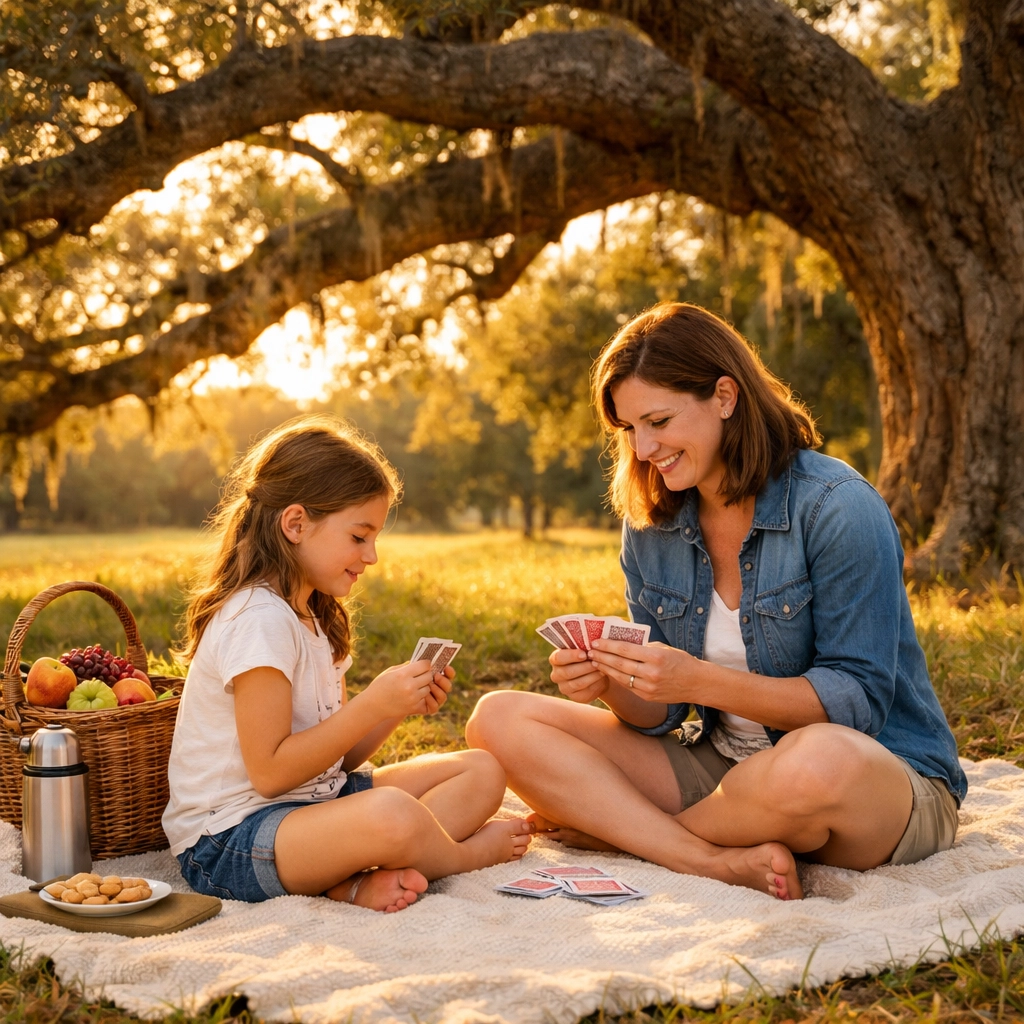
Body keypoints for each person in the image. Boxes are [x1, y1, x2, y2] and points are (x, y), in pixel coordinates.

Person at [467, 302, 965, 901]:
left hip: (876, 782)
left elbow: (856, 705)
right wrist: (615, 682)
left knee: (819, 759)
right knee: (498, 718)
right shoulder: (653, 524)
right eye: (629, 429)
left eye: (658, 421)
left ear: (725, 397)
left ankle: (631, 836)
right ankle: (701, 854)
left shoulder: (836, 506)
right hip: (727, 773)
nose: (645, 447)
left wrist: (696, 680)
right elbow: (664, 716)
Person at [164, 417, 532, 912]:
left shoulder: (313, 615)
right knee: (394, 815)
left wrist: (395, 707)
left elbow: (338, 758)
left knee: (482, 770)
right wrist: (371, 703)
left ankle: (352, 879)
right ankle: (456, 858)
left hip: (313, 806)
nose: (372, 555)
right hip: (231, 838)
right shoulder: (258, 619)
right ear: (295, 524)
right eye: (359, 537)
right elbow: (271, 774)